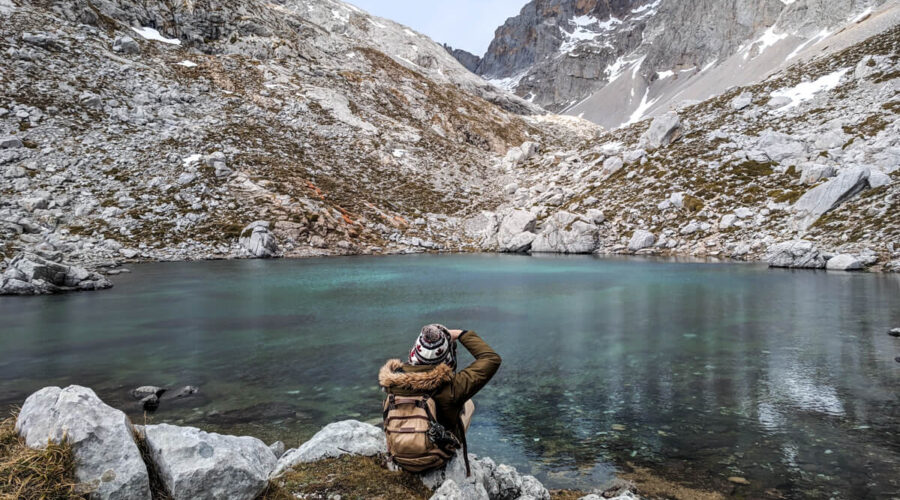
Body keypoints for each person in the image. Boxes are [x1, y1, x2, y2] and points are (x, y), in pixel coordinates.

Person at [378, 324, 501, 474]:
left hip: (399, 455)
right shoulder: (453, 387)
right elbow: (491, 359)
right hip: (437, 457)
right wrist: (462, 334)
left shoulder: (393, 381)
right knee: (467, 403)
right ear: (446, 359)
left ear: (414, 352)